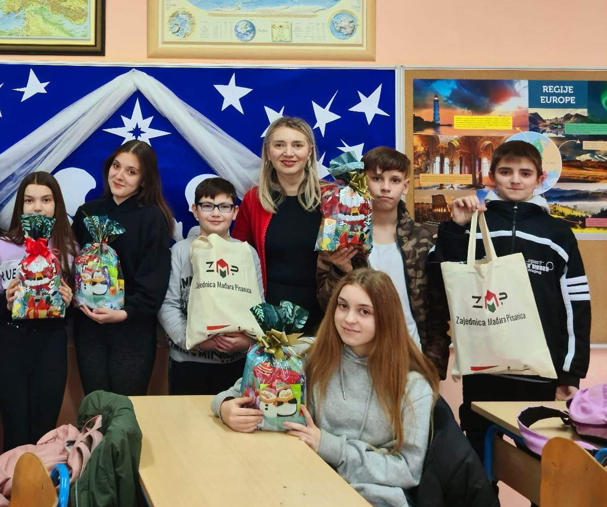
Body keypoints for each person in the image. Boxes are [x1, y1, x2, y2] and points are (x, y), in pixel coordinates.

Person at [214, 268, 438, 507]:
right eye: (343, 306)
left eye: (364, 311)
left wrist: (329, 446)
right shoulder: (308, 353)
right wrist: (226, 408)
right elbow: (236, 393)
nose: (349, 319)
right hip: (303, 485)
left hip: (371, 498)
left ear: (386, 317)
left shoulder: (412, 385)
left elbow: (408, 470)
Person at [434, 140, 590, 461]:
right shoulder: (475, 223)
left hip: (540, 370)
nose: (515, 180)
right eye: (506, 172)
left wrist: (570, 373)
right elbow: (442, 276)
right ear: (492, 176)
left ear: (540, 178)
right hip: (483, 367)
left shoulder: (558, 233)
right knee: (478, 455)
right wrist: (455, 227)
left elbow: (576, 304)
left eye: (525, 173)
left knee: (539, 461)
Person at [317, 146, 450, 378]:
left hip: (410, 358)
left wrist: (433, 367)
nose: (385, 187)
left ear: (405, 186)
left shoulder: (422, 238)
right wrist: (342, 271)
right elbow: (325, 304)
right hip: (355, 359)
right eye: (377, 178)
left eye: (394, 180)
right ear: (363, 181)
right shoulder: (340, 236)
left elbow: (437, 311)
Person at [72, 140, 173, 396]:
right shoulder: (87, 213)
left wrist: (125, 313)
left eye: (131, 171)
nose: (119, 176)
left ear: (144, 180)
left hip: (132, 332)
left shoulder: (153, 218)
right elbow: (72, 267)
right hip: (89, 329)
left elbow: (155, 280)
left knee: (126, 408)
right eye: (116, 166)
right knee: (95, 405)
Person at [0, 173, 74, 449]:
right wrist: (7, 302)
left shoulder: (69, 248)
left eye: (45, 200)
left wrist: (69, 300)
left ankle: (40, 479)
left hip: (51, 346)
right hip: (11, 345)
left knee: (44, 433)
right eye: (29, 200)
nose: (37, 207)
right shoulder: (3, 246)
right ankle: (11, 479)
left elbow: (80, 304)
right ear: (20, 206)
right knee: (14, 433)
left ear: (56, 205)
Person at [159, 177, 262, 395]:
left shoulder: (247, 253)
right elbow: (168, 305)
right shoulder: (179, 252)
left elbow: (258, 306)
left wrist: (247, 342)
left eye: (224, 206)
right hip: (188, 362)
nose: (216, 213)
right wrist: (195, 341)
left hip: (236, 363)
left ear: (235, 212)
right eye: (207, 206)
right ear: (195, 210)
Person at [231, 116, 333, 334]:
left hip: (325, 318)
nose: (288, 153)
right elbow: (238, 261)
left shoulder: (332, 199)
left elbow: (354, 263)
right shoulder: (253, 200)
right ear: (268, 152)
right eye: (279, 145)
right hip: (268, 322)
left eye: (297, 145)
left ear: (309, 151)